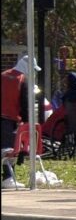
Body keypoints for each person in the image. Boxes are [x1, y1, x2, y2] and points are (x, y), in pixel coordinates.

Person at [2, 55, 41, 188]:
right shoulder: (22, 81)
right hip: (10, 118)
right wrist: (27, 123)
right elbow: (25, 106)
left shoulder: (3, 75)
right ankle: (8, 177)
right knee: (10, 150)